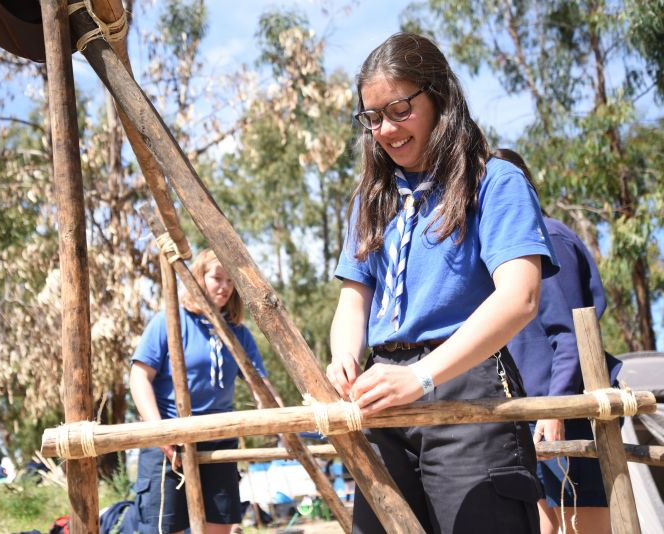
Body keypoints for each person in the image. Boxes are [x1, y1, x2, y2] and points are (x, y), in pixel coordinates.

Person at [326, 33, 559, 534]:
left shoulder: (495, 181)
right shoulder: (370, 200)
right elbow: (353, 299)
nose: (385, 130)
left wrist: (423, 376)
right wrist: (343, 356)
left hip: (466, 386)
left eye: (399, 109)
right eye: (372, 118)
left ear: (440, 98)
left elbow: (521, 297)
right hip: (382, 388)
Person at [497, 148, 622, 534]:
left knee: (582, 525)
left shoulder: (546, 238)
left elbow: (571, 334)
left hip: (565, 410)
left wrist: (556, 409)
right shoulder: (509, 254)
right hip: (531, 413)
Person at [130, 249, 277, 534]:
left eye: (230, 281)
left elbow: (261, 386)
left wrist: (278, 417)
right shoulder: (168, 321)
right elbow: (139, 377)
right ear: (199, 277)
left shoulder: (239, 333)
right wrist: (159, 432)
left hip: (219, 438)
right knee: (165, 527)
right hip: (169, 440)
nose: (224, 286)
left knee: (220, 527)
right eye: (216, 278)